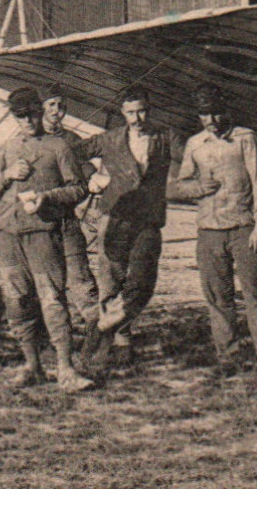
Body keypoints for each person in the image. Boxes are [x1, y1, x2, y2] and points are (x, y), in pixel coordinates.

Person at [0, 87, 94, 390]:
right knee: (17, 301)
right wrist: (7, 176)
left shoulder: (58, 147)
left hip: (43, 234)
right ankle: (32, 366)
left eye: (32, 114)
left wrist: (46, 198)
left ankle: (66, 369)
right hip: (8, 234)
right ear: (14, 117)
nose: (28, 122)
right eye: (21, 117)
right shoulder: (6, 149)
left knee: (52, 300)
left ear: (39, 112)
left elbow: (78, 189)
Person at [168, 84, 257, 378]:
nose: (212, 121)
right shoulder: (195, 144)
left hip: (244, 228)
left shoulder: (245, 138)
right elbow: (181, 184)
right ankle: (229, 357)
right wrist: (197, 188)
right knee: (218, 297)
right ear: (200, 117)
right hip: (209, 230)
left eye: (217, 113)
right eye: (206, 115)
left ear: (226, 112)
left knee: (255, 293)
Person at [75, 86, 175, 373]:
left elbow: (190, 153)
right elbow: (70, 154)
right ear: (122, 113)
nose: (136, 117)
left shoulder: (164, 137)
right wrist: (91, 178)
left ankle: (102, 333)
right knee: (110, 280)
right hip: (114, 216)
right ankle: (117, 345)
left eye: (141, 110)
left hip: (148, 219)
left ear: (149, 109)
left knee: (142, 283)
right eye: (130, 112)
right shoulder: (110, 139)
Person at [41, 84, 102, 332]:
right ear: (42, 109)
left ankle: (98, 330)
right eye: (51, 105)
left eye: (61, 105)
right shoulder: (30, 140)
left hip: (66, 218)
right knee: (46, 282)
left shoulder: (71, 140)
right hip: (40, 221)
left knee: (80, 278)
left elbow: (86, 170)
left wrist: (94, 179)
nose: (57, 111)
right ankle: (53, 333)